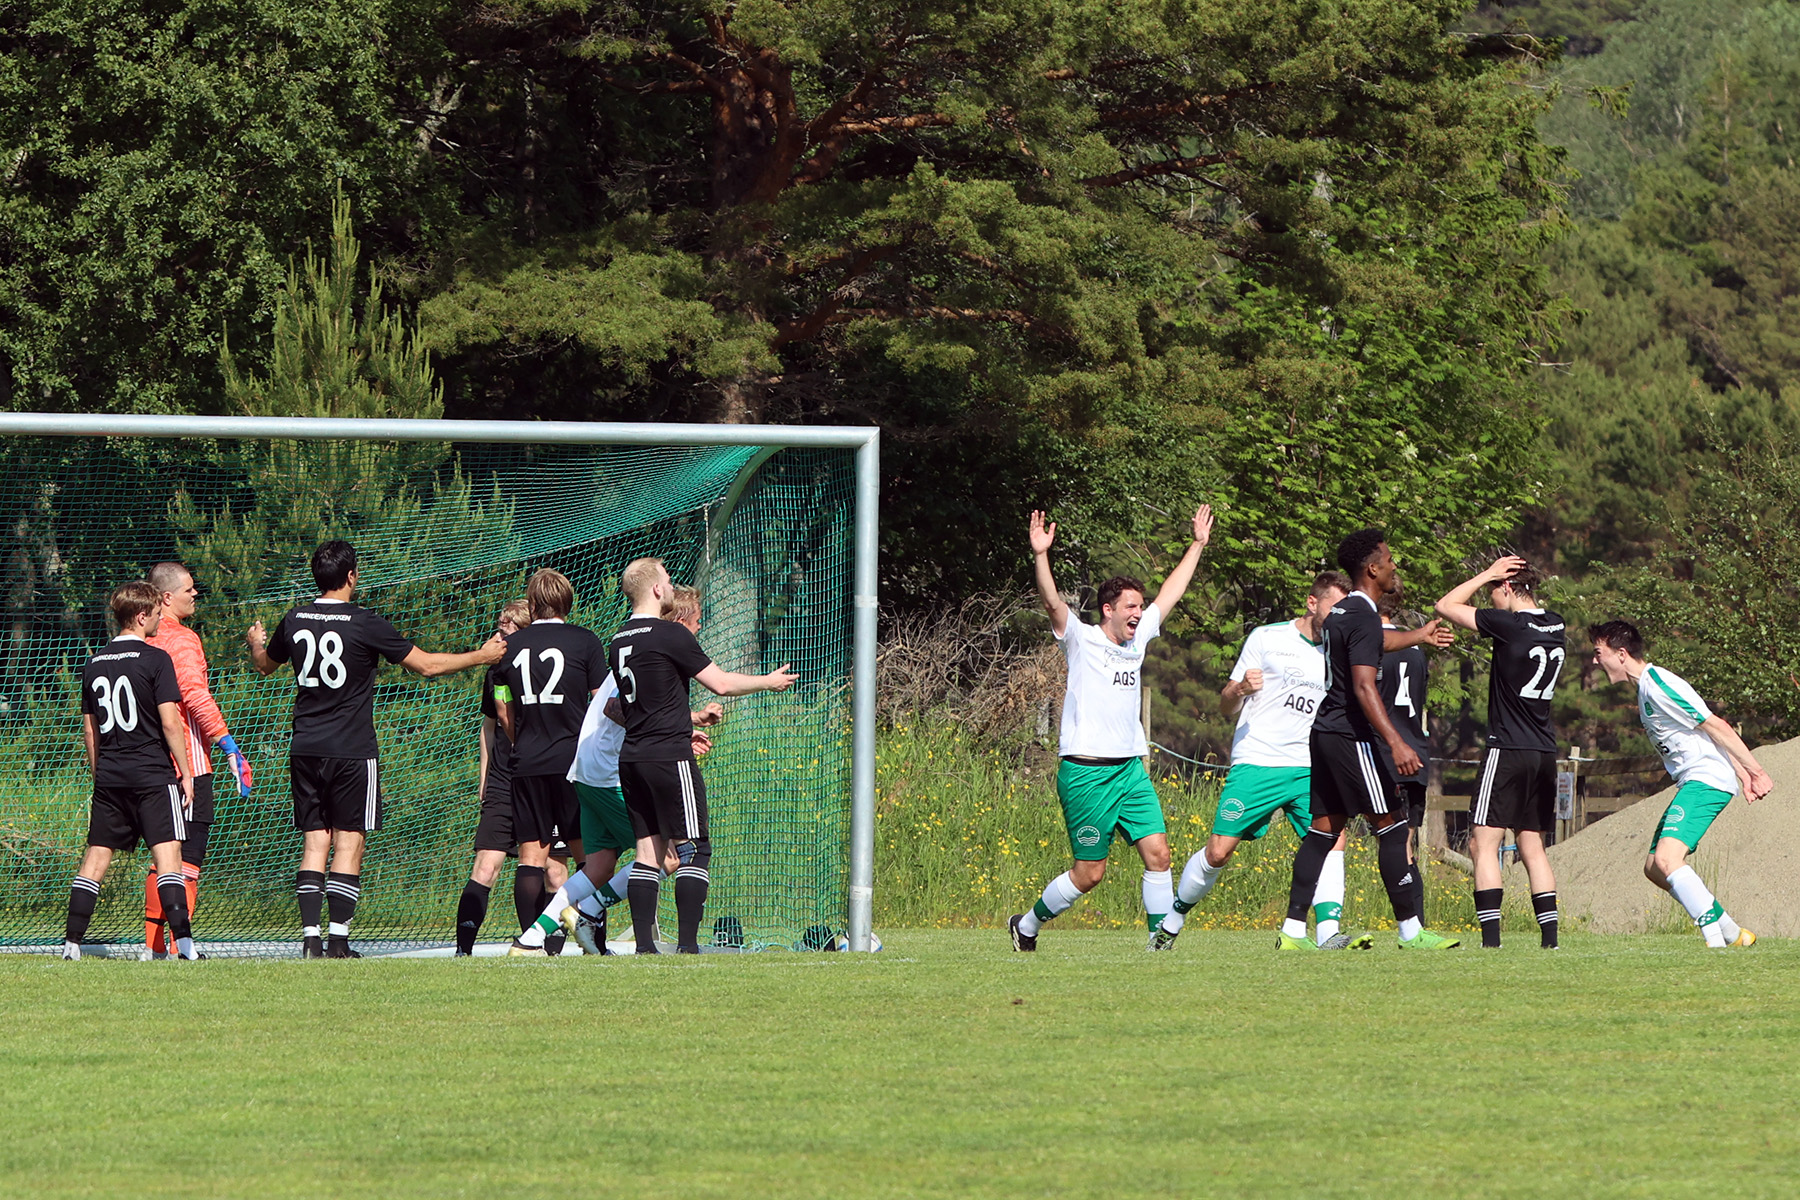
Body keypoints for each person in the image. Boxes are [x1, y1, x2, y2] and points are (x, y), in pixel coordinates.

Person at [247, 540, 503, 958]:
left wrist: (256, 639)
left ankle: (310, 941)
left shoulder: (294, 619)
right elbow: (427, 666)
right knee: (349, 842)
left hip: (305, 747)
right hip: (351, 749)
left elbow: (263, 664)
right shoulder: (363, 622)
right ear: (351, 576)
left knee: (315, 843)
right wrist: (482, 655)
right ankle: (338, 943)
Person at [1010, 503, 1214, 953]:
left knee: (1159, 855)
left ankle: (1157, 944)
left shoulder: (1137, 639)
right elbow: (1050, 601)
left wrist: (1197, 544)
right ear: (1108, 609)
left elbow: (1171, 593)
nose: (1140, 612)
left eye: (1141, 606)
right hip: (1085, 773)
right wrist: (1040, 554)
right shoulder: (1081, 638)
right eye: (1131, 606)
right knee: (1091, 873)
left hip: (1129, 771)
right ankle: (1026, 924)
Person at [1155, 572, 1363, 951]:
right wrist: (1240, 689)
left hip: (1309, 765)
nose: (1339, 617)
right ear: (1312, 603)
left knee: (1333, 839)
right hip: (1259, 760)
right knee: (1218, 851)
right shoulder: (1267, 638)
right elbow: (1225, 704)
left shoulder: (1341, 650)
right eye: (1334, 607)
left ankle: (1328, 933)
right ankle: (1170, 924)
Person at [1277, 529, 1462, 951]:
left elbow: (1375, 643)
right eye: (1389, 559)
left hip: (1324, 732)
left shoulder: (1343, 612)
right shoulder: (1361, 615)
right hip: (1349, 735)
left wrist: (1417, 636)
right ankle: (1411, 932)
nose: (1395, 566)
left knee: (1322, 831)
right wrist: (1397, 743)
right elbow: (1364, 686)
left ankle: (1291, 933)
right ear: (1372, 568)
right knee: (1394, 827)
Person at [511, 584, 720, 955]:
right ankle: (588, 912)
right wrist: (681, 726)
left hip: (585, 770)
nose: (699, 631)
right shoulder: (655, 648)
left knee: (599, 866)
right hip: (608, 772)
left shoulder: (636, 651)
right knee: (668, 855)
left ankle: (529, 940)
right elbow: (614, 708)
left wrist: (684, 727)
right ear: (681, 622)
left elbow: (637, 710)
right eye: (698, 622)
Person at [610, 558, 795, 954]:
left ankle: (645, 948)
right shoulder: (669, 635)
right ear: (658, 590)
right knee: (695, 846)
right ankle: (689, 948)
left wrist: (684, 720)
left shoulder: (619, 638)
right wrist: (769, 681)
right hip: (669, 757)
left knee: (648, 852)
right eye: (669, 580)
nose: (673, 587)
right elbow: (722, 684)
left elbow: (641, 703)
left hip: (632, 758)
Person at [1589, 620, 1772, 948]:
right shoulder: (1645, 688)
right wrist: (1741, 773)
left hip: (1706, 780)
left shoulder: (1658, 683)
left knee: (1668, 860)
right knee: (1654, 868)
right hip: (1698, 779)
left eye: (1597, 652)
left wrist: (1754, 771)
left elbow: (1716, 725)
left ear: (1620, 654)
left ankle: (1715, 943)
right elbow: (1702, 733)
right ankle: (1732, 932)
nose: (1594, 661)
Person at [1435, 557, 1566, 949]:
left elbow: (1445, 605)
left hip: (1506, 747)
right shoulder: (1556, 622)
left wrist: (1486, 574)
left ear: (1508, 587)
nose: (1490, 599)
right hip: (1544, 751)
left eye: (1494, 592)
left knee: (1482, 843)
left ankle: (1491, 941)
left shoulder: (1510, 624)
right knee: (1532, 846)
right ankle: (1550, 941)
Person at [63, 582, 197, 960]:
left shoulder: (94, 663)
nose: (158, 619)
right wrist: (185, 773)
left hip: (111, 776)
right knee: (169, 857)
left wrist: (99, 774)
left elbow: (90, 729)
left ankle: (72, 945)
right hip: (152, 775)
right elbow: (171, 724)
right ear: (141, 616)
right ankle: (185, 947)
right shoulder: (156, 660)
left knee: (95, 859)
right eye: (155, 613)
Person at [489, 569, 609, 957]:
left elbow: (503, 711)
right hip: (574, 763)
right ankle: (595, 940)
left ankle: (530, 941)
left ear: (534, 603)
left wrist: (519, 742)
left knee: (531, 856)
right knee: (587, 856)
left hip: (527, 761)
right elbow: (604, 704)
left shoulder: (510, 646)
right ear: (567, 601)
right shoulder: (586, 642)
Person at [140, 561, 253, 958]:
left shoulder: (136, 641)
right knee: (187, 860)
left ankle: (154, 947)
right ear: (166, 597)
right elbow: (196, 696)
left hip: (144, 765)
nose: (196, 594)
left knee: (160, 857)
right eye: (189, 589)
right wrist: (228, 745)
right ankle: (178, 947)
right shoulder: (182, 640)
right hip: (187, 765)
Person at [454, 599, 571, 955]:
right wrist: (484, 778)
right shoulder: (497, 672)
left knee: (554, 872)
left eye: (505, 627)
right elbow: (490, 727)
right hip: (506, 781)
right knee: (486, 866)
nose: (498, 632)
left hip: (545, 777)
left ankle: (548, 948)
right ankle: (463, 951)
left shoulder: (550, 667)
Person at [1377, 585, 1432, 922]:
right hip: (1417, 753)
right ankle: (1418, 924)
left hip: (1384, 754)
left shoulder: (1371, 648)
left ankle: (1325, 921)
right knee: (1406, 846)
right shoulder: (1416, 651)